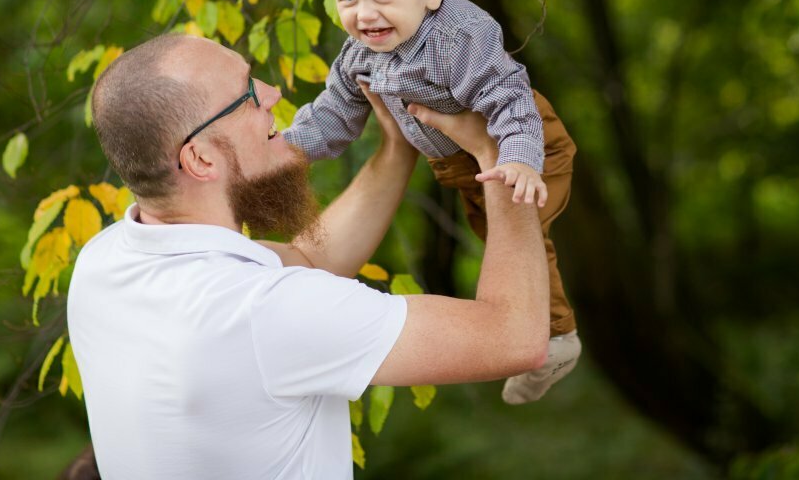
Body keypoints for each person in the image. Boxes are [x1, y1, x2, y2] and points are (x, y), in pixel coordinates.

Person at [68, 33, 550, 479]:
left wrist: (396, 146)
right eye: (246, 95)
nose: (272, 92)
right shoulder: (263, 313)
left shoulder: (103, 261)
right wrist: (500, 157)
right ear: (200, 160)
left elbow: (306, 260)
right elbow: (516, 338)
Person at [284, 0, 580, 404]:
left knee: (519, 241)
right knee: (492, 231)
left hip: (527, 144)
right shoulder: (359, 54)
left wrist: (518, 160)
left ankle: (556, 338)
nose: (364, 14)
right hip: (459, 163)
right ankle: (549, 333)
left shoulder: (460, 38)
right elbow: (334, 113)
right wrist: (285, 155)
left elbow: (508, 97)